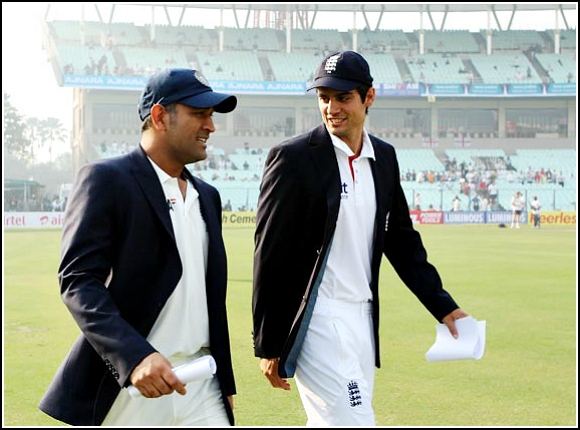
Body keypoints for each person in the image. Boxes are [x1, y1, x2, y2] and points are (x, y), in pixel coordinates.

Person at [252, 51, 469, 426]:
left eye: (343, 97)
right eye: (324, 98)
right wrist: (269, 342)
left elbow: (401, 241)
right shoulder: (293, 158)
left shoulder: (384, 158)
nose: (331, 107)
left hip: (363, 319)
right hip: (318, 318)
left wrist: (443, 305)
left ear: (369, 98)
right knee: (354, 421)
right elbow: (269, 254)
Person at [38, 68, 238, 426]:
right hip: (133, 388)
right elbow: (79, 282)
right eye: (199, 114)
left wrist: (225, 382)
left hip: (200, 387)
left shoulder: (208, 196)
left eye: (211, 116)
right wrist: (135, 358)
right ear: (160, 116)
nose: (211, 126)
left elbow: (212, 300)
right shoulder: (106, 180)